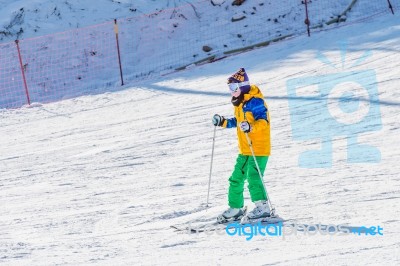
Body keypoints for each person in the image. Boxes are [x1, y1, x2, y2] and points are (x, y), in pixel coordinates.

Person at [212, 68, 271, 223]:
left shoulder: (255, 101)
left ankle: (263, 207)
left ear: (243, 86)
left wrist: (251, 127)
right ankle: (236, 209)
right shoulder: (240, 104)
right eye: (229, 88)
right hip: (245, 149)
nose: (231, 91)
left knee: (253, 177)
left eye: (234, 88)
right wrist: (223, 122)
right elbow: (238, 122)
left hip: (258, 148)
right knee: (236, 178)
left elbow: (263, 122)